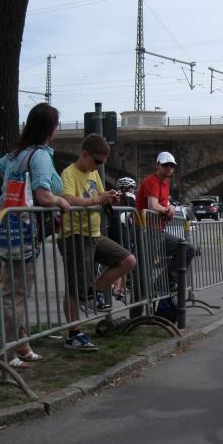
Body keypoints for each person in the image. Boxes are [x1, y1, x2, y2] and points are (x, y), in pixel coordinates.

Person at [0, 103, 70, 369]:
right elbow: (43, 195)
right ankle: (4, 351)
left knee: (11, 290)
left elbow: (0, 166)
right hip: (22, 228)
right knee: (16, 292)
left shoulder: (18, 153)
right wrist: (60, 202)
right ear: (51, 128)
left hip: (6, 224)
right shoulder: (40, 156)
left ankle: (18, 343)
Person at [59, 134, 137, 351]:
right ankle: (74, 334)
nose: (99, 166)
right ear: (84, 154)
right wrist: (96, 200)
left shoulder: (93, 172)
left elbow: (100, 195)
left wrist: (109, 197)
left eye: (103, 163)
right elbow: (67, 199)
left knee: (128, 260)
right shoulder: (69, 173)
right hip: (75, 234)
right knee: (74, 287)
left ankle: (93, 291)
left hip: (94, 234)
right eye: (98, 161)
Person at [135, 151, 195, 291]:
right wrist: (168, 210)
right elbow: (152, 205)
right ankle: (140, 303)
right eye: (165, 165)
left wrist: (170, 207)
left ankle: (165, 282)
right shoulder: (151, 181)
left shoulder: (165, 183)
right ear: (157, 165)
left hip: (158, 230)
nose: (169, 168)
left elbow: (164, 203)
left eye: (171, 165)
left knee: (187, 249)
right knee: (146, 269)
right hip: (146, 230)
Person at [109, 177, 138, 302]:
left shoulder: (116, 196)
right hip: (123, 232)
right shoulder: (131, 198)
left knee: (120, 260)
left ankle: (119, 288)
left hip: (112, 231)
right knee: (124, 261)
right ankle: (117, 288)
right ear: (130, 188)